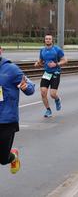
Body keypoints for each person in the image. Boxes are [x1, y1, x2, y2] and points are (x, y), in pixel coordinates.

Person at [0, 46, 35, 174]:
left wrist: (26, 87)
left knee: (3, 159)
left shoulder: (11, 69)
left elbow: (30, 88)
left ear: (1, 51)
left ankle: (13, 155)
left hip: (6, 120)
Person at [34, 34, 67, 117]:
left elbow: (65, 60)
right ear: (44, 40)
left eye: (49, 39)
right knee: (43, 92)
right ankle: (48, 110)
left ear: (52, 40)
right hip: (47, 73)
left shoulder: (57, 49)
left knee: (52, 94)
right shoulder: (42, 50)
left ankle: (57, 99)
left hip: (55, 73)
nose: (48, 40)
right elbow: (41, 61)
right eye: (46, 39)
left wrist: (56, 64)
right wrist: (38, 63)